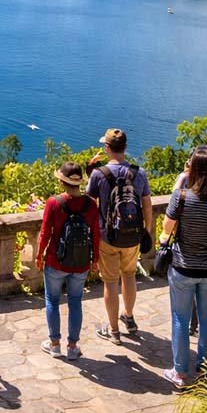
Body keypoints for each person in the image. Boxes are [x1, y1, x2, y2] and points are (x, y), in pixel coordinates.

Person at [160, 145, 207, 388]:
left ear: (191, 167)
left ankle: (180, 373)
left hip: (184, 267)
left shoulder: (181, 197)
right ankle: (204, 369)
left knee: (180, 319)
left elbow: (166, 231)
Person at [85, 128, 153, 345]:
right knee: (129, 276)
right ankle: (129, 318)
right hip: (133, 235)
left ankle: (114, 330)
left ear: (107, 147)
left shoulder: (99, 174)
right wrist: (146, 230)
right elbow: (147, 204)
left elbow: (89, 205)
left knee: (110, 282)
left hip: (108, 237)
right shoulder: (138, 172)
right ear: (125, 147)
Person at [33, 162, 100, 361]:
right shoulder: (90, 204)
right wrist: (95, 259)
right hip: (80, 263)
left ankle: (54, 344)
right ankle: (72, 346)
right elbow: (96, 234)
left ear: (62, 181)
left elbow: (45, 232)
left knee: (52, 300)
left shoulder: (54, 203)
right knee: (75, 302)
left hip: (56, 260)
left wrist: (39, 255)